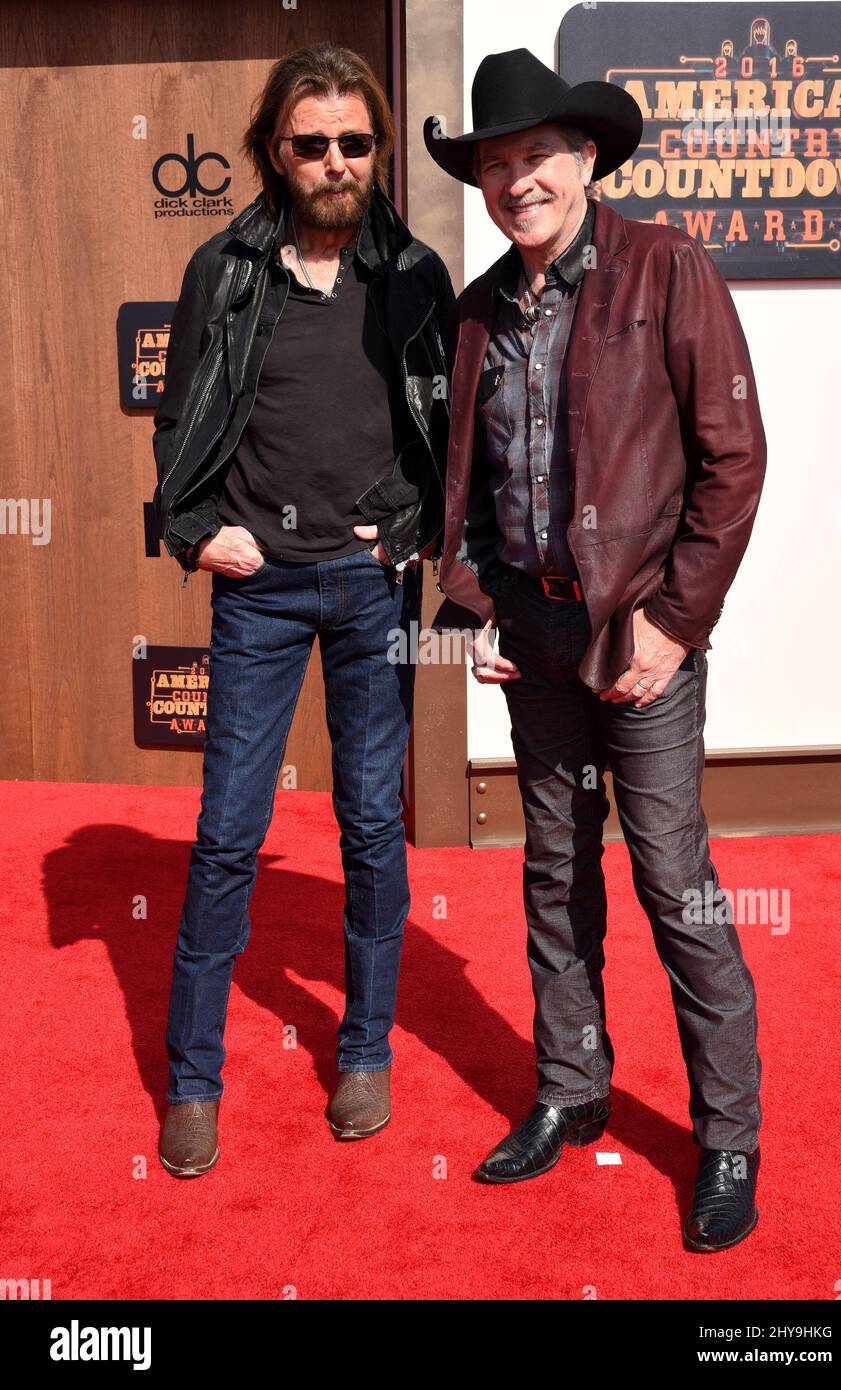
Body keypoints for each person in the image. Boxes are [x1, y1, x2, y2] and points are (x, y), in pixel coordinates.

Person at [426, 48, 766, 1251]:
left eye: (535, 158)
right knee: (554, 876)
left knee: (676, 882)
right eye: (495, 165)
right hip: (537, 633)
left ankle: (728, 1131)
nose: (515, 182)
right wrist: (474, 608)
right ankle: (571, 1090)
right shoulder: (474, 313)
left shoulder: (666, 267)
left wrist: (674, 626)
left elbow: (733, 464)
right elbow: (464, 483)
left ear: (586, 160)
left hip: (644, 633)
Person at [153, 42, 455, 1176]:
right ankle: (192, 1081)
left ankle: (365, 1049)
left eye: (355, 142)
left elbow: (446, 434)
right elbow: (176, 416)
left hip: (374, 586)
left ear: (377, 149)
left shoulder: (416, 277)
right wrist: (193, 530)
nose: (335, 161)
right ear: (273, 152)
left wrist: (414, 520)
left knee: (373, 825)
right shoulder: (223, 271)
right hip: (261, 592)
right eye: (311, 142)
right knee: (230, 832)